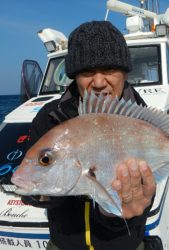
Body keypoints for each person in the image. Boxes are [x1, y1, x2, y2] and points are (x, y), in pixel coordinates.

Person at [22, 21, 156, 250]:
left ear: (125, 72)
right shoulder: (50, 118)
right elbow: (29, 182)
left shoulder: (144, 122)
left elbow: (148, 188)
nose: (99, 82)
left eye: (110, 69)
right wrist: (40, 194)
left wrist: (115, 212)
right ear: (74, 75)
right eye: (86, 72)